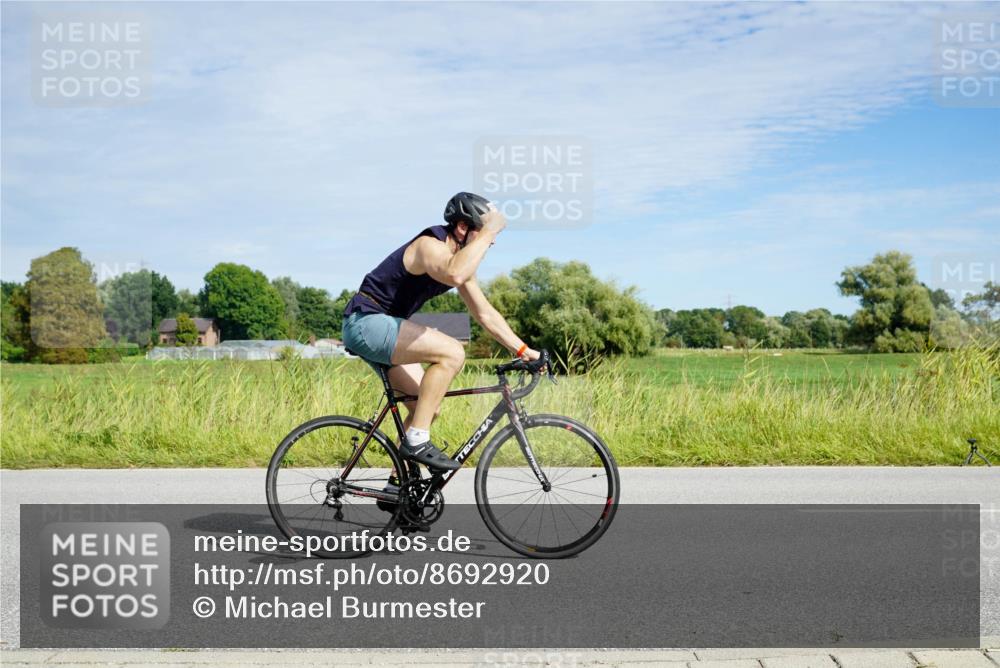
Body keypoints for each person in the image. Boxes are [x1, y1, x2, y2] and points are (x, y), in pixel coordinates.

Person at [341, 192, 540, 471]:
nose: (492, 241)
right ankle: (417, 440)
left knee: (427, 407)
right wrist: (491, 227)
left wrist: (524, 351)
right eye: (486, 234)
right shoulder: (429, 247)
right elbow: (454, 273)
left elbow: (484, 314)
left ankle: (399, 487)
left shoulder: (456, 261)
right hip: (366, 322)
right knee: (452, 352)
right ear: (462, 228)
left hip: (383, 328)